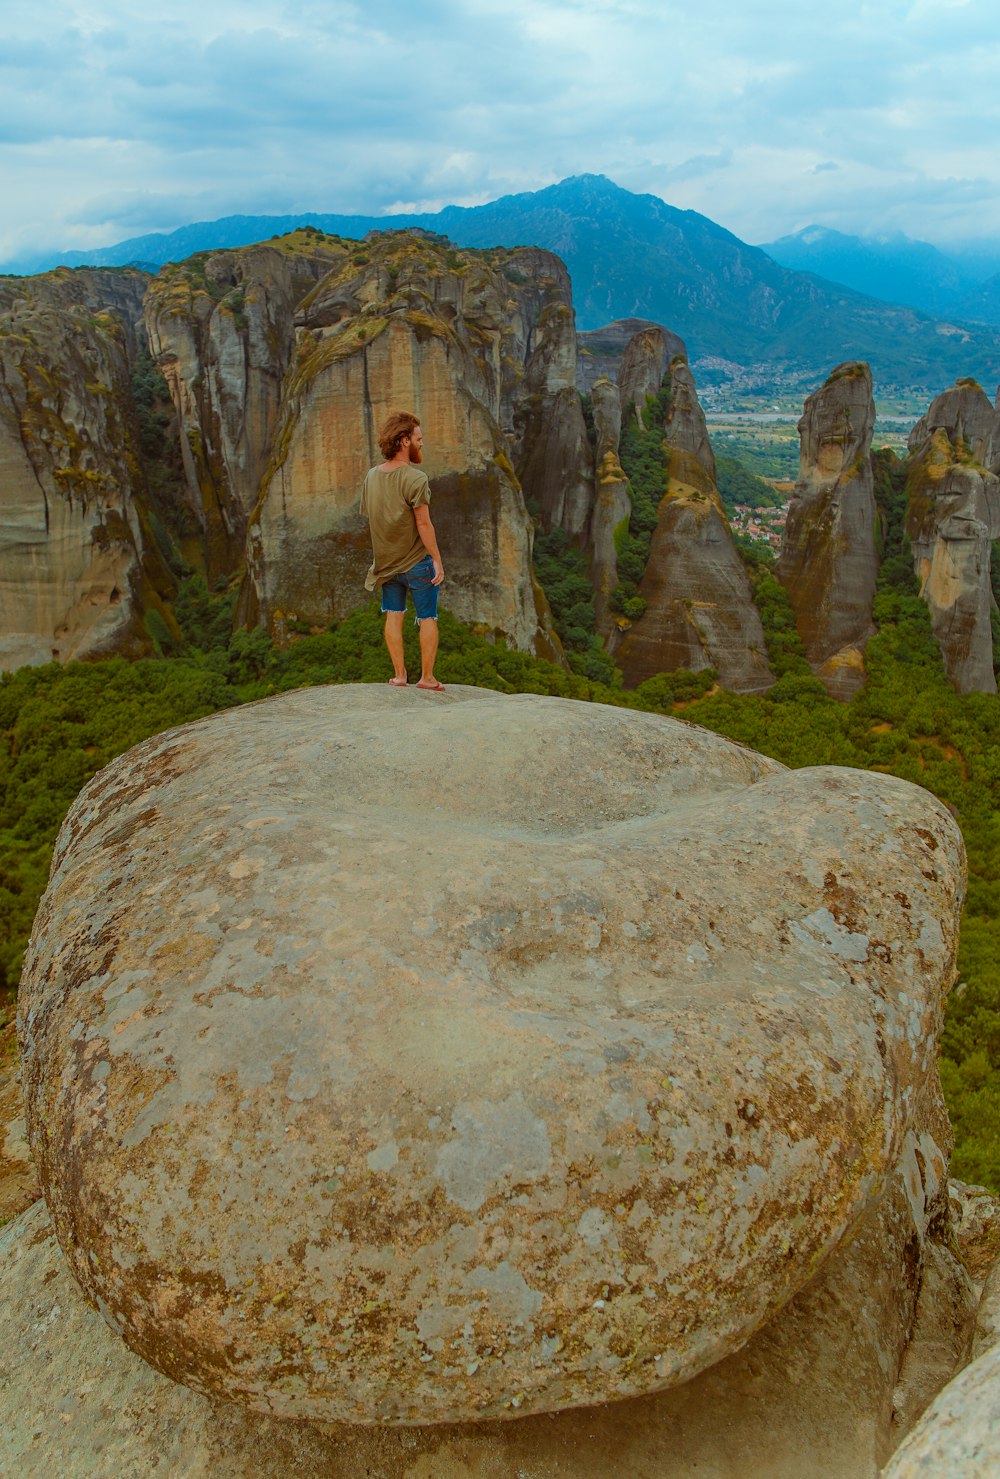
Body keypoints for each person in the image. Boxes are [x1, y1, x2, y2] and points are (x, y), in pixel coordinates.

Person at [360, 411, 445, 691]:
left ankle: (399, 676)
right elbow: (423, 522)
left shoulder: (371, 476)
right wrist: (436, 559)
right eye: (419, 439)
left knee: (393, 615)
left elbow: (373, 516)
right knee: (427, 617)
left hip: (386, 565)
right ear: (405, 440)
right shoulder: (415, 478)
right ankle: (427, 678)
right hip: (416, 563)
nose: (422, 444)